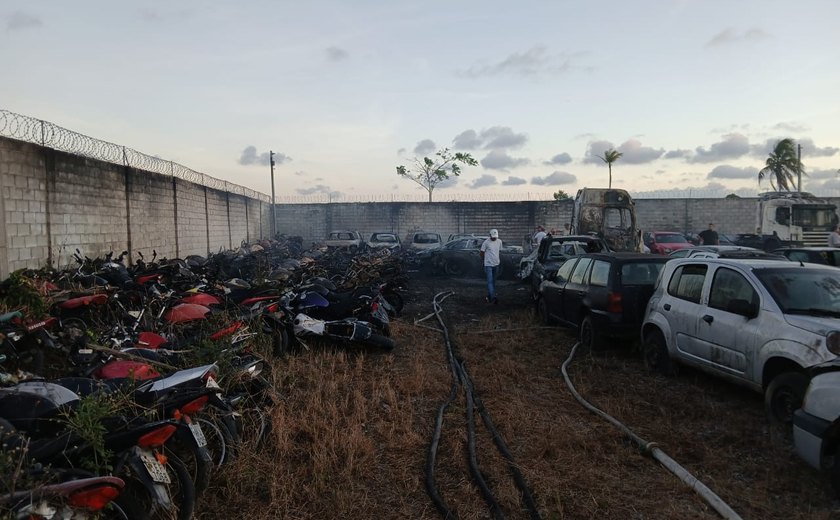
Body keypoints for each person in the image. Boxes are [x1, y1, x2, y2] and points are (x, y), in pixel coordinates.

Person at [480, 229, 502, 304]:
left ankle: (489, 296)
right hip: (488, 265)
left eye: (495, 237)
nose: (494, 238)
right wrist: (484, 261)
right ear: (490, 235)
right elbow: (481, 252)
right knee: (490, 281)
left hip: (496, 264)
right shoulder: (486, 242)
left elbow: (499, 251)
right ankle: (493, 297)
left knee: (494, 281)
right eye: (493, 237)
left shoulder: (499, 241)